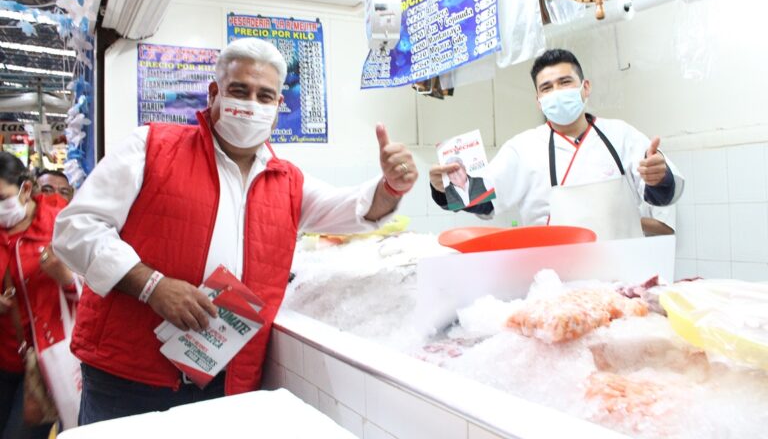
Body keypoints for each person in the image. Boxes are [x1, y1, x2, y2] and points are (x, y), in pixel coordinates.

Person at [51, 38, 418, 425]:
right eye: (239, 90)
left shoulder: (287, 180)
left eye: (265, 96)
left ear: (279, 108)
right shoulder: (152, 146)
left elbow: (352, 209)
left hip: (224, 380)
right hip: (128, 377)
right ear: (215, 94)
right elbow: (75, 228)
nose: (251, 104)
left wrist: (390, 186)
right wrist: (152, 286)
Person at [430, 49, 684, 240]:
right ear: (539, 100)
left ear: (585, 88)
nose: (557, 92)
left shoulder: (622, 135)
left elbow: (663, 196)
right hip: (556, 281)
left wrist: (659, 178)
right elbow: (482, 200)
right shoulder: (522, 149)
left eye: (565, 82)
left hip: (624, 280)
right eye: (547, 88)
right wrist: (445, 188)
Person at [0, 153, 76, 439]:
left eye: (1, 196)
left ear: (26, 189)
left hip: (47, 363)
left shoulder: (61, 224)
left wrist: (67, 279)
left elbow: (96, 289)